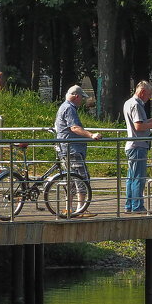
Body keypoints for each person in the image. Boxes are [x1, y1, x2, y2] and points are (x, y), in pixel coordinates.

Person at [54, 84, 102, 217]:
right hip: (72, 149)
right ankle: (81, 209)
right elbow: (74, 128)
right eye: (82, 97)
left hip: (64, 148)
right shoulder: (69, 108)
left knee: (71, 179)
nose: (83, 100)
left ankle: (69, 208)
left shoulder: (63, 107)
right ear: (76, 96)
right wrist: (91, 135)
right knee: (82, 178)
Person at [123, 81, 152, 213]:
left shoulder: (128, 102)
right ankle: (137, 206)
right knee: (138, 178)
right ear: (142, 92)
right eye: (149, 95)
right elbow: (138, 126)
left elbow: (140, 122)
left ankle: (129, 205)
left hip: (132, 145)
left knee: (131, 177)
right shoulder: (136, 105)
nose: (149, 98)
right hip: (138, 146)